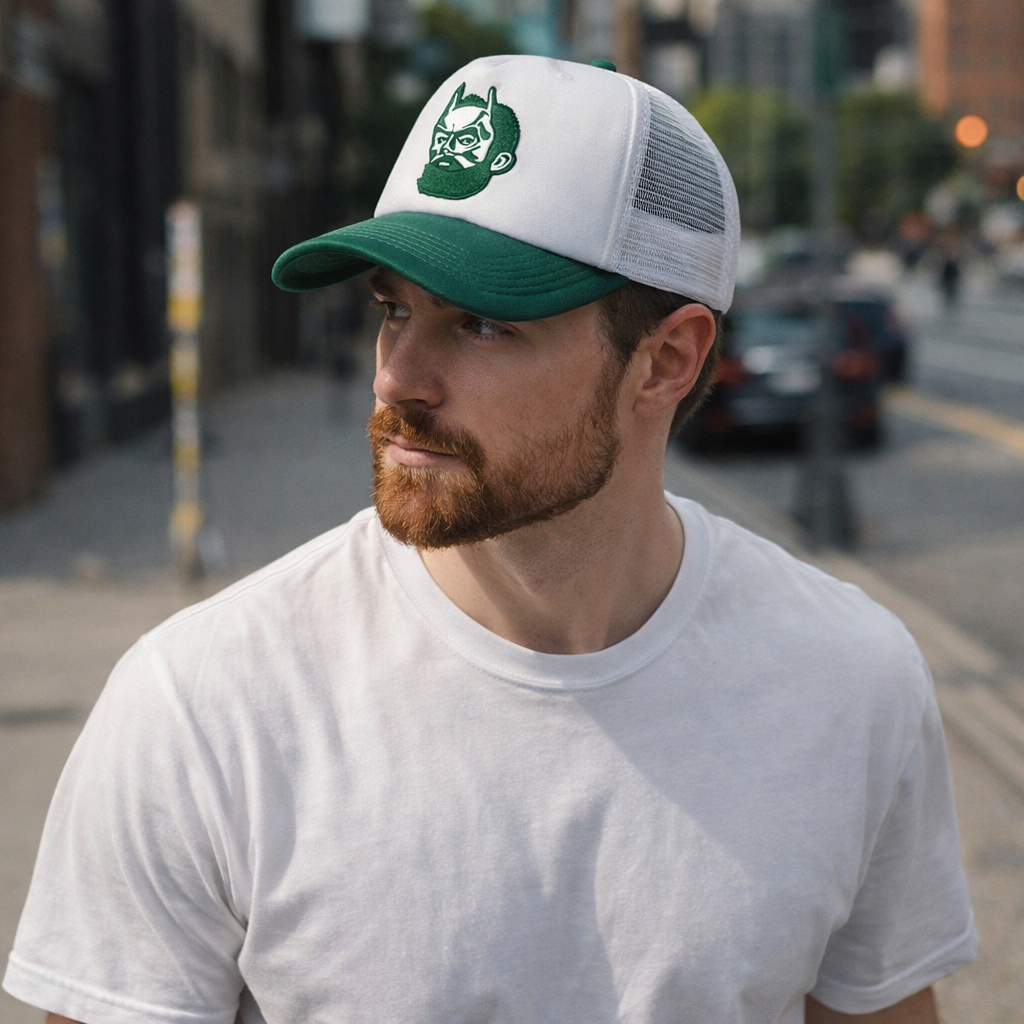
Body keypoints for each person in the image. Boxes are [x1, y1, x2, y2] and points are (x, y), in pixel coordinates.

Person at [5, 56, 976, 1024]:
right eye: (393, 309)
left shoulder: (848, 682)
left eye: (478, 322)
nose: (397, 379)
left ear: (665, 360)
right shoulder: (205, 704)